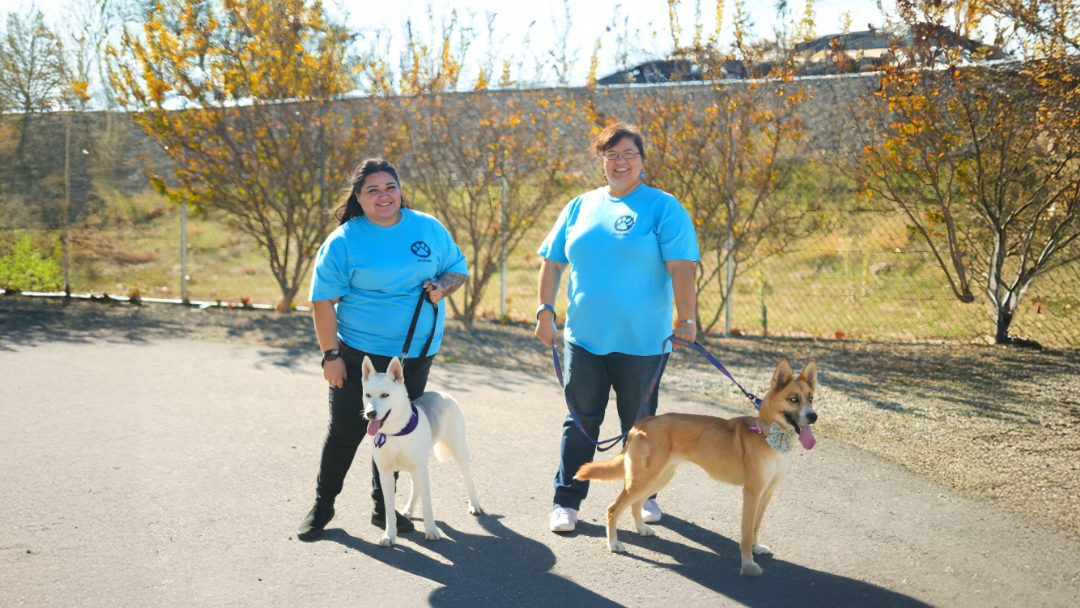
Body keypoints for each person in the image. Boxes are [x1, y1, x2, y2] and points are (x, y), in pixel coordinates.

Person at [535, 122, 700, 533]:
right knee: (580, 421)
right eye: (611, 155)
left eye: (628, 154)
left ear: (642, 162)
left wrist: (689, 319)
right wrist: (544, 311)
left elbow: (682, 269)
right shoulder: (580, 206)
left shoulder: (663, 207)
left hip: (643, 342)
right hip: (584, 339)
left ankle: (644, 496)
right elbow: (553, 262)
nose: (619, 162)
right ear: (601, 161)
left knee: (641, 425)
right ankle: (566, 502)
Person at [297, 158, 468, 541]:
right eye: (372, 190)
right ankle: (323, 507)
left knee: (392, 430)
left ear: (400, 189)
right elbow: (322, 300)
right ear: (359, 197)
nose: (384, 196)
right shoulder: (344, 240)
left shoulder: (428, 227)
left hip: (414, 356)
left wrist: (442, 287)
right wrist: (331, 356)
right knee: (345, 430)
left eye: (390, 187)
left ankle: (382, 509)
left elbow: (458, 269)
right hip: (359, 355)